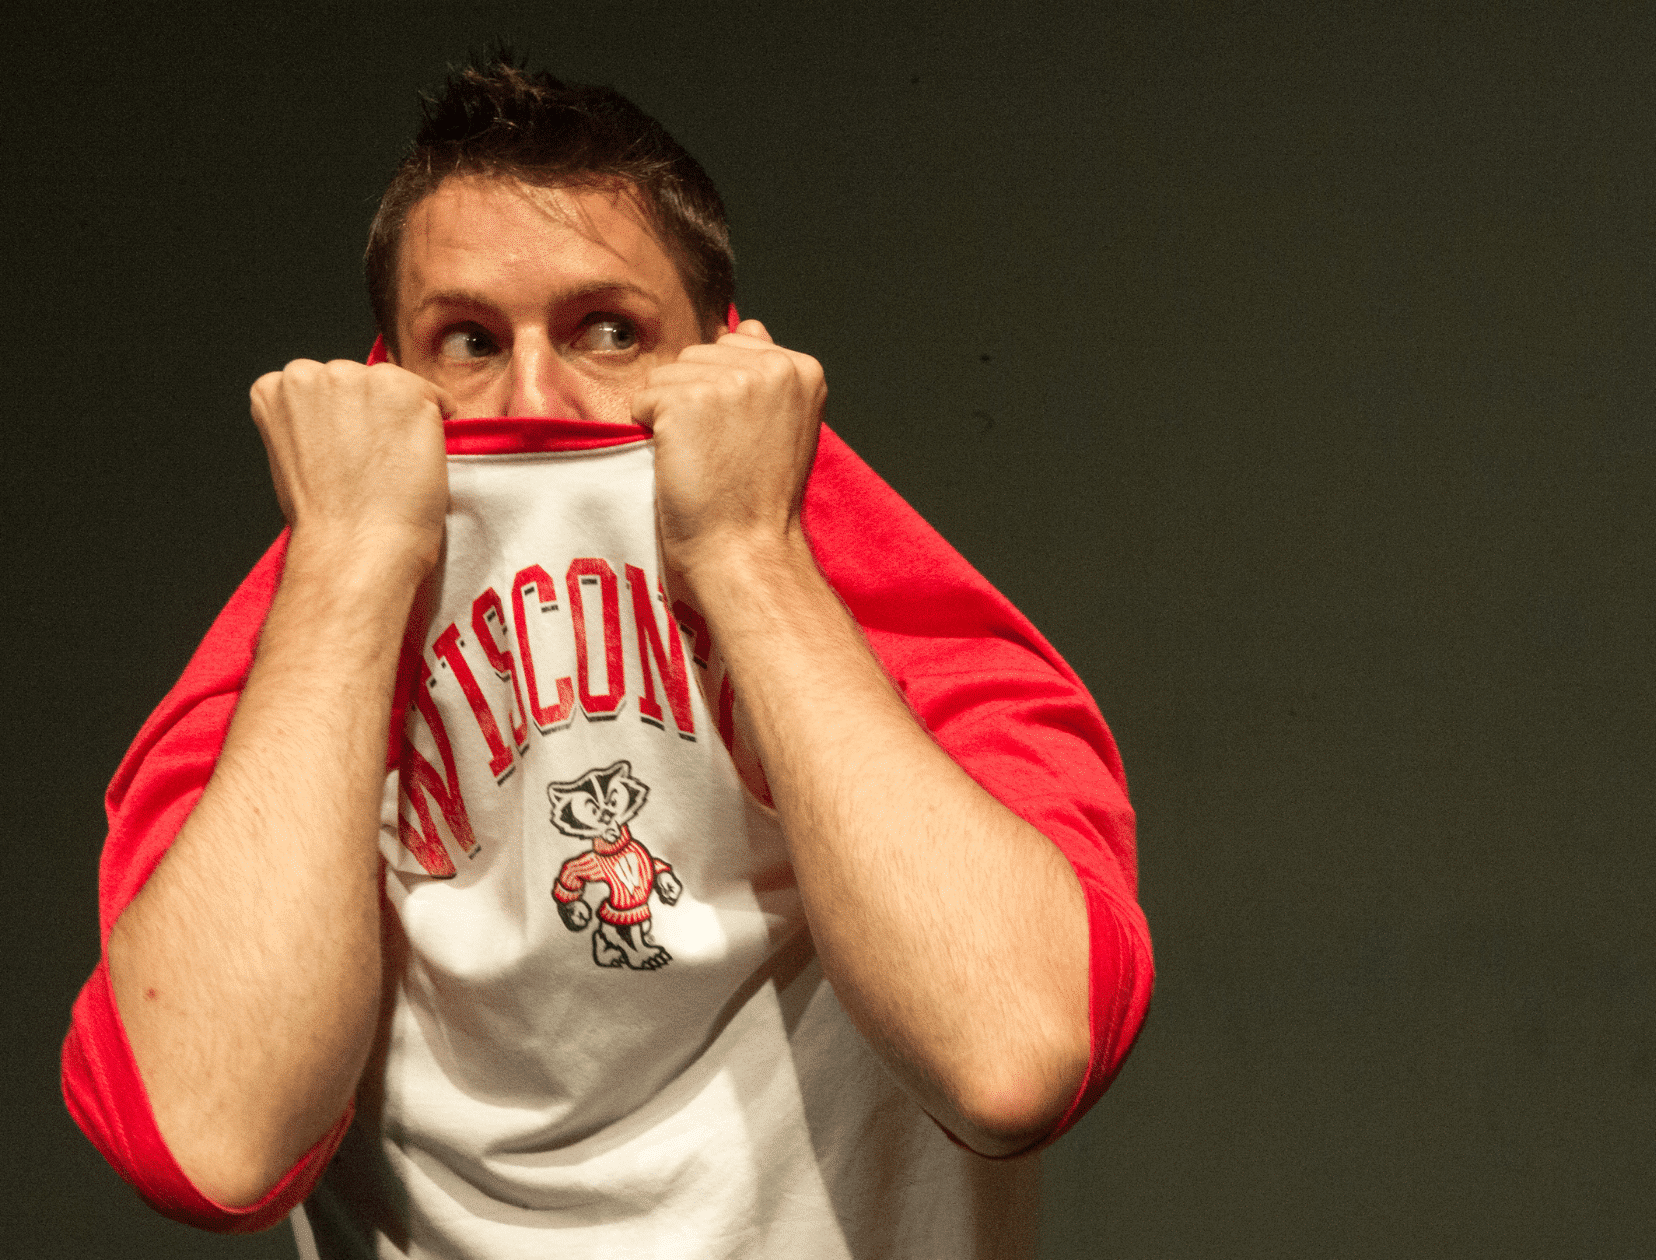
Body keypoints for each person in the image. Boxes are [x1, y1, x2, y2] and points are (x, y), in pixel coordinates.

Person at [61, 56, 1152, 1259]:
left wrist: (746, 551)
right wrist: (345, 564)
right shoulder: (286, 665)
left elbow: (1010, 1059)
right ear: (386, 383)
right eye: (467, 341)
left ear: (727, 363)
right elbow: (210, 1140)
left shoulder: (905, 625)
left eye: (610, 331)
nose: (536, 393)